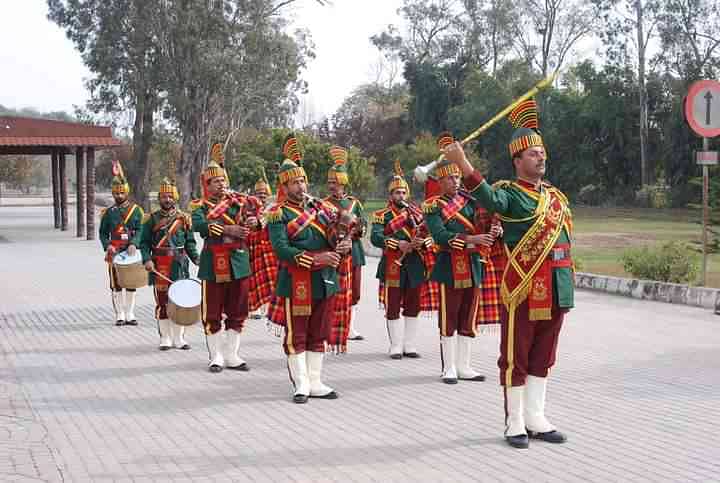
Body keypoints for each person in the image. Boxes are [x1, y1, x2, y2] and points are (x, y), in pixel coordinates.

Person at [442, 99, 572, 448]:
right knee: (517, 354)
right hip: (525, 287)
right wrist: (463, 163)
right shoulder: (509, 194)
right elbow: (487, 199)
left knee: (545, 355)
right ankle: (514, 421)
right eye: (532, 154)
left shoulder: (556, 198)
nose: (540, 158)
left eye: (542, 152)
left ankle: (536, 417)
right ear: (517, 161)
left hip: (557, 288)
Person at [266, 134, 352, 403]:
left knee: (319, 331)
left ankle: (316, 381)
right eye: (294, 182)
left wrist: (345, 238)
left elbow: (335, 236)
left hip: (325, 280)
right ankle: (301, 383)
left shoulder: (323, 208)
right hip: (297, 279)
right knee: (298, 333)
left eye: (302, 180)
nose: (300, 185)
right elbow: (281, 249)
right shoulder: (279, 213)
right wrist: (316, 260)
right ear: (285, 186)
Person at [423, 133, 502, 384]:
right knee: (450, 315)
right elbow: (440, 235)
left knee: (469, 315)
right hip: (449, 265)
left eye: (458, 176)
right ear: (440, 180)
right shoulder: (433, 206)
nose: (456, 181)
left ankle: (465, 365)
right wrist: (472, 240)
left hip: (473, 265)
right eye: (450, 177)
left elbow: (485, 223)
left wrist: (495, 231)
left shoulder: (470, 201)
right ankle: (449, 368)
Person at [191, 144, 256, 373]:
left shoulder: (239, 202)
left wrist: (251, 222)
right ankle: (216, 355)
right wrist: (228, 230)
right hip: (213, 260)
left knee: (238, 309)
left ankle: (232, 354)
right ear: (207, 185)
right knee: (213, 310)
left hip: (238, 260)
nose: (222, 185)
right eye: (216, 182)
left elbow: (253, 220)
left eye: (223, 181)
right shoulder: (199, 206)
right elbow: (199, 225)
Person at [371, 161, 434, 359]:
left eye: (403, 193)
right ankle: (395, 345)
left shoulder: (418, 213)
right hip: (392, 264)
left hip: (415, 263)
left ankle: (409, 345)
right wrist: (398, 244)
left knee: (413, 305)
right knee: (393, 305)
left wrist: (421, 244)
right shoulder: (382, 215)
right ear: (390, 195)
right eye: (397, 193)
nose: (401, 196)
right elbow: (375, 237)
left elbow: (431, 236)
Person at [140, 177, 199, 350]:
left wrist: (196, 258)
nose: (167, 200)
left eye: (170, 196)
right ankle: (165, 338)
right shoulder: (151, 219)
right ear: (159, 198)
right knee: (162, 301)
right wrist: (147, 259)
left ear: (175, 197)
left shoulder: (184, 218)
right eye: (164, 196)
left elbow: (190, 243)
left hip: (178, 265)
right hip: (159, 264)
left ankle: (179, 338)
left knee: (180, 301)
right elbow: (143, 243)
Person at [324, 146, 367, 341]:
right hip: (333, 252)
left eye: (335, 182)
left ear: (343, 183)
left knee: (354, 291)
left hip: (354, 251)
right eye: (330, 182)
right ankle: (332, 325)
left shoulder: (354, 203)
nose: (332, 186)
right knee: (333, 288)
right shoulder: (323, 204)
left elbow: (363, 225)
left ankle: (350, 327)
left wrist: (357, 229)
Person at [99, 160, 144, 326]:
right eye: (115, 193)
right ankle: (119, 314)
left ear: (127, 192)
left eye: (121, 193)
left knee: (131, 283)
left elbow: (141, 230)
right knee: (116, 284)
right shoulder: (108, 213)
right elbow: (103, 232)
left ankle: (130, 313)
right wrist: (107, 245)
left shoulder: (137, 210)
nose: (118, 196)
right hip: (114, 251)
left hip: (130, 250)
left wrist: (135, 243)